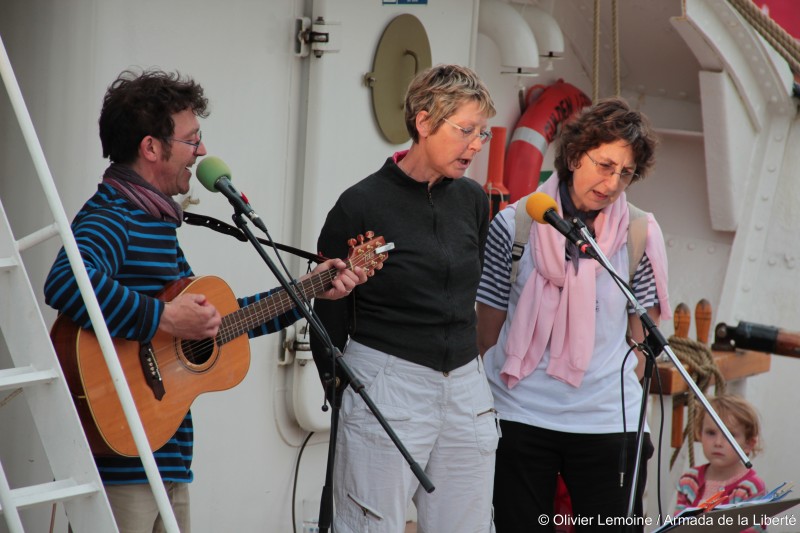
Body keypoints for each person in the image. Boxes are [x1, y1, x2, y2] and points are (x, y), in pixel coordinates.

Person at [43, 68, 365, 533]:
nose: (202, 151)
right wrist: (164, 318)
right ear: (151, 147)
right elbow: (66, 282)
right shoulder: (114, 214)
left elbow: (219, 325)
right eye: (192, 140)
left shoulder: (154, 221)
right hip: (123, 465)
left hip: (166, 456)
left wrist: (309, 290)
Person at [310, 64, 499, 533]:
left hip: (466, 384)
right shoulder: (360, 204)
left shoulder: (474, 200)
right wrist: (340, 387)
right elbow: (327, 309)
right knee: (369, 523)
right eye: (465, 130)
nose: (476, 145)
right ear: (424, 122)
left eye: (483, 133)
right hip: (387, 379)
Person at [476, 97, 670, 532]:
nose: (613, 183)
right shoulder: (514, 224)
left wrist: (601, 393)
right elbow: (487, 333)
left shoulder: (640, 233)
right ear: (574, 155)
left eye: (626, 173)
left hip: (608, 421)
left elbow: (642, 344)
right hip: (519, 415)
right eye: (605, 165)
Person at [674, 394, 766, 530]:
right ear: (699, 434)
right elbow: (678, 526)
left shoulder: (750, 488)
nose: (718, 442)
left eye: (730, 435)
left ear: (748, 443)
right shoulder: (689, 480)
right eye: (711, 433)